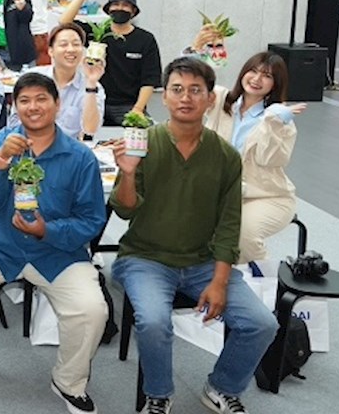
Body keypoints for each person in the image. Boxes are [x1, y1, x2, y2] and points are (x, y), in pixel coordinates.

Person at [0, 73, 108, 414]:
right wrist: (0, 162)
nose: (33, 107)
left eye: (41, 99)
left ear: (57, 104)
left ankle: (69, 381)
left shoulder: (79, 156)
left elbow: (91, 220)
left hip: (57, 252)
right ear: (14, 107)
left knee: (91, 310)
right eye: (24, 100)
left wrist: (47, 230)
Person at [111, 57, 278, 414]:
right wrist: (127, 173)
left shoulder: (225, 156)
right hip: (145, 258)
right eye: (177, 89)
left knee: (262, 324)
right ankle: (159, 394)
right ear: (165, 97)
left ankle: (221, 387)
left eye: (195, 90)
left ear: (210, 99)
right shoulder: (144, 143)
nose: (185, 97)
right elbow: (124, 210)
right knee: (153, 322)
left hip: (203, 261)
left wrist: (219, 281)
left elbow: (229, 224)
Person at [186, 40, 303, 263]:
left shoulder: (280, 120)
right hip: (222, 193)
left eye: (267, 76)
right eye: (253, 71)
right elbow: (192, 81)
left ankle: (264, 279)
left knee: (242, 236)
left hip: (266, 196)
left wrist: (273, 123)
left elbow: (268, 160)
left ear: (276, 84)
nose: (257, 79)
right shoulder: (221, 100)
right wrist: (198, 48)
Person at [62, 0, 162, 125]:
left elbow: (150, 79)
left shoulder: (146, 39)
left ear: (133, 11)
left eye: (125, 5)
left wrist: (138, 109)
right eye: (115, 4)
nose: (120, 8)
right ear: (108, 9)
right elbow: (64, 22)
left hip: (128, 105)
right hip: (94, 98)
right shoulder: (97, 32)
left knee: (138, 135)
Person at [11, 23, 106, 140]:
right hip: (31, 144)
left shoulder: (93, 86)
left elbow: (90, 129)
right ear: (51, 51)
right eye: (63, 44)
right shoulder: (32, 77)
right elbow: (14, 120)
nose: (71, 49)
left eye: (76, 44)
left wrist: (91, 83)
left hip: (68, 148)